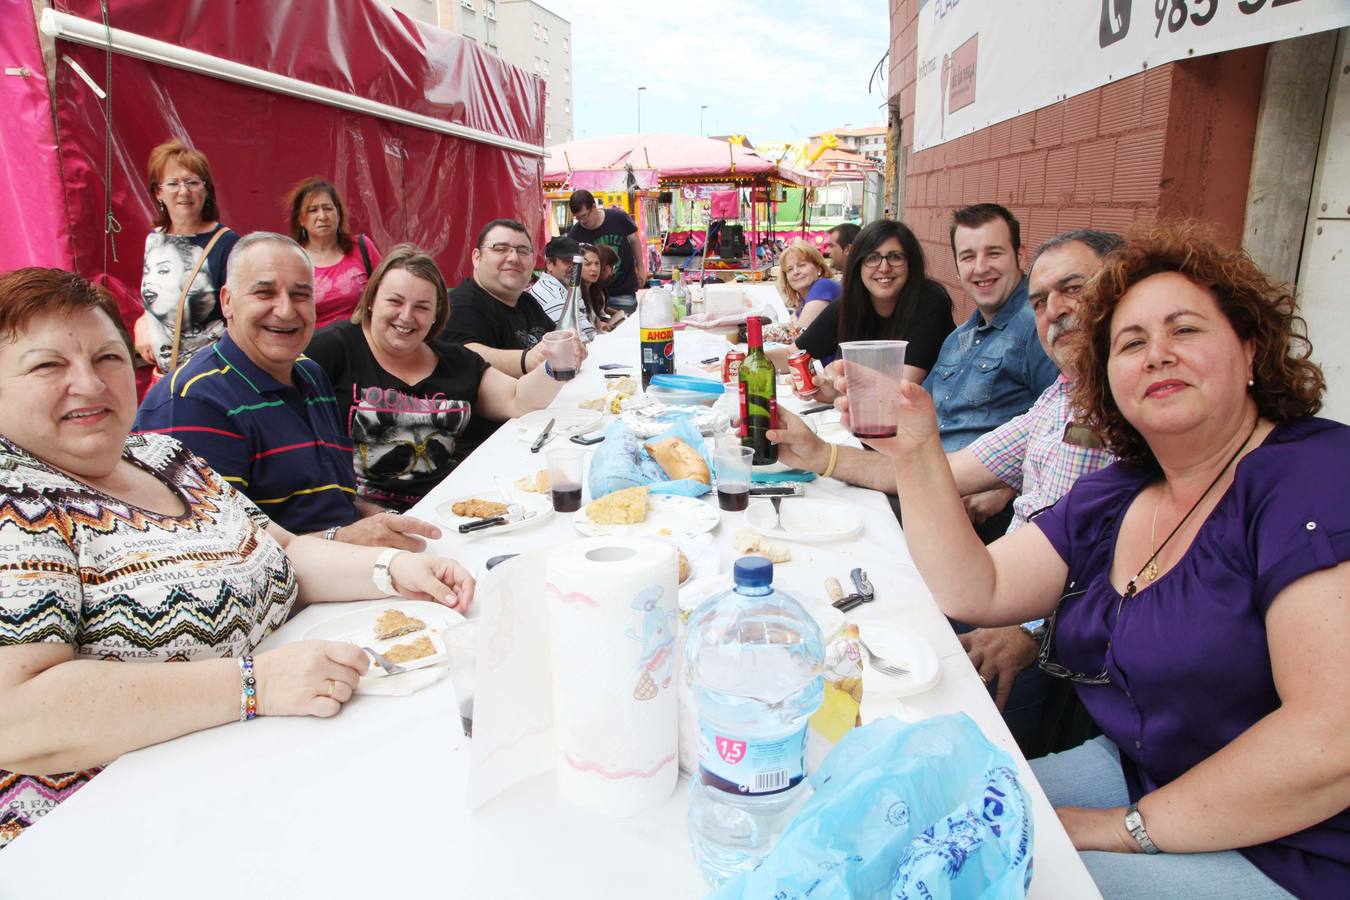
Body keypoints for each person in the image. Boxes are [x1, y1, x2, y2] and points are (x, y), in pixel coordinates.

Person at [867, 220, 1349, 899]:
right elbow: (980, 586)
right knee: (914, 812)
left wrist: (1121, 828)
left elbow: (1332, 742)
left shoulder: (1314, 476)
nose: (1156, 355)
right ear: (1106, 377)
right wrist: (916, 451)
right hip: (1142, 770)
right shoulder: (1121, 489)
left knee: (998, 883)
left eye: (1185, 331)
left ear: (1249, 349)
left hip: (1295, 844)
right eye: (1130, 343)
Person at [0, 266, 474, 850]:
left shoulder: (162, 457)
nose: (91, 384)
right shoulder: (17, 499)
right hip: (124, 834)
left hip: (278, 767)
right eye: (48, 366)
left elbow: (283, 552)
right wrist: (254, 685)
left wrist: (392, 571)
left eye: (107, 359)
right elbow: (15, 714)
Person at [136, 233, 440, 549]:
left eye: (300, 295)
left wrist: (379, 518)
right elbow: (217, 553)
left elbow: (331, 498)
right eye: (265, 293)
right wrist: (347, 539)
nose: (285, 310)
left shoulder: (310, 374)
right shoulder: (195, 401)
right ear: (227, 301)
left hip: (342, 569)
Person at [307, 245, 573, 510]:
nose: (406, 316)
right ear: (371, 300)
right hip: (358, 523)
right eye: (394, 301)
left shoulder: (454, 361)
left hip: (447, 512)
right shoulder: (331, 351)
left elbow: (517, 400)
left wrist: (555, 364)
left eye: (422, 307)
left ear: (437, 314)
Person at [925, 203, 1060, 539]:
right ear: (957, 268)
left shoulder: (1038, 328)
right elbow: (921, 409)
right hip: (930, 484)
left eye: (994, 253)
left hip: (976, 516)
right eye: (968, 257)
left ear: (1021, 256)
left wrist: (1007, 484)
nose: (981, 267)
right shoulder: (960, 337)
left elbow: (1064, 422)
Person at [788, 218, 955, 378]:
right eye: (872, 258)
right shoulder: (850, 304)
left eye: (895, 257)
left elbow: (902, 387)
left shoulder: (930, 302)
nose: (884, 267)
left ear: (911, 263)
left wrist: (837, 383)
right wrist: (762, 357)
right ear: (858, 265)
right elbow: (795, 354)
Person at [136, 139, 240, 375]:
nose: (184, 191)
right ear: (158, 192)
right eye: (173, 183)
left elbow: (239, 314)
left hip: (212, 375)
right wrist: (143, 322)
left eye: (193, 182)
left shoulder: (227, 243)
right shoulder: (155, 240)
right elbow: (156, 298)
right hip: (165, 376)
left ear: (206, 190)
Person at [441, 219, 571, 378]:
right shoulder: (459, 305)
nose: (514, 258)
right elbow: (461, 354)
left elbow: (556, 340)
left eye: (523, 251)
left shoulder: (527, 303)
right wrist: (527, 360)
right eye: (501, 249)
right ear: (477, 257)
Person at [286, 176, 383, 329]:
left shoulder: (362, 246)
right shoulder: (292, 258)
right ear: (301, 220)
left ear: (338, 214)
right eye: (313, 210)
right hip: (313, 346)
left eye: (328, 208)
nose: (322, 216)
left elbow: (386, 291)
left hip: (361, 341)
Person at [566, 190, 647, 313]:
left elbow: (634, 239)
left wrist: (641, 269)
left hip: (623, 290)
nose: (582, 221)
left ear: (593, 207)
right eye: (577, 218)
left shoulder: (618, 218)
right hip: (594, 295)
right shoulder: (574, 234)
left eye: (584, 215)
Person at [528, 235, 596, 340]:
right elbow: (577, 340)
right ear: (549, 264)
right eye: (567, 261)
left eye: (576, 262)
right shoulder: (551, 294)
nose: (573, 267)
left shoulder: (567, 287)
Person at [775, 239, 840, 331]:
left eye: (802, 265)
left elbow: (799, 334)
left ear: (819, 269)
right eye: (789, 269)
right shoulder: (803, 302)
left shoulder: (823, 286)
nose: (796, 272)